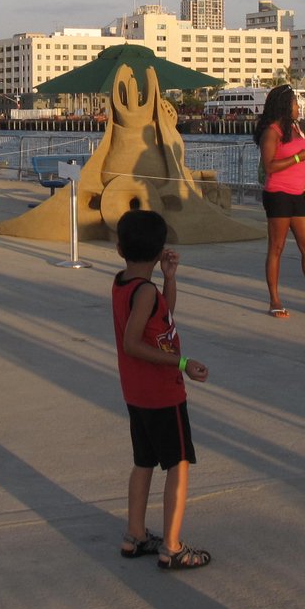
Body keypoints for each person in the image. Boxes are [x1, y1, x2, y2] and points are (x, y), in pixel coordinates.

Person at [112, 208, 211, 570]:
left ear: (119, 248)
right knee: (178, 463)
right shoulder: (144, 293)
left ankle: (134, 534)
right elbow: (133, 343)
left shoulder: (125, 283)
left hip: (136, 393)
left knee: (144, 462)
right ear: (158, 251)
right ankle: (172, 545)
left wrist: (170, 278)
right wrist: (183, 363)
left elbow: (164, 317)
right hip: (161, 393)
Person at [253, 84, 305, 318]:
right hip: (278, 194)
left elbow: (302, 154)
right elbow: (270, 166)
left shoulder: (296, 129)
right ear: (285, 106)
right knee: (277, 247)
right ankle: (274, 300)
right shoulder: (271, 132)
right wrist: (299, 157)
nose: (298, 107)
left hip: (297, 194)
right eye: (295, 103)